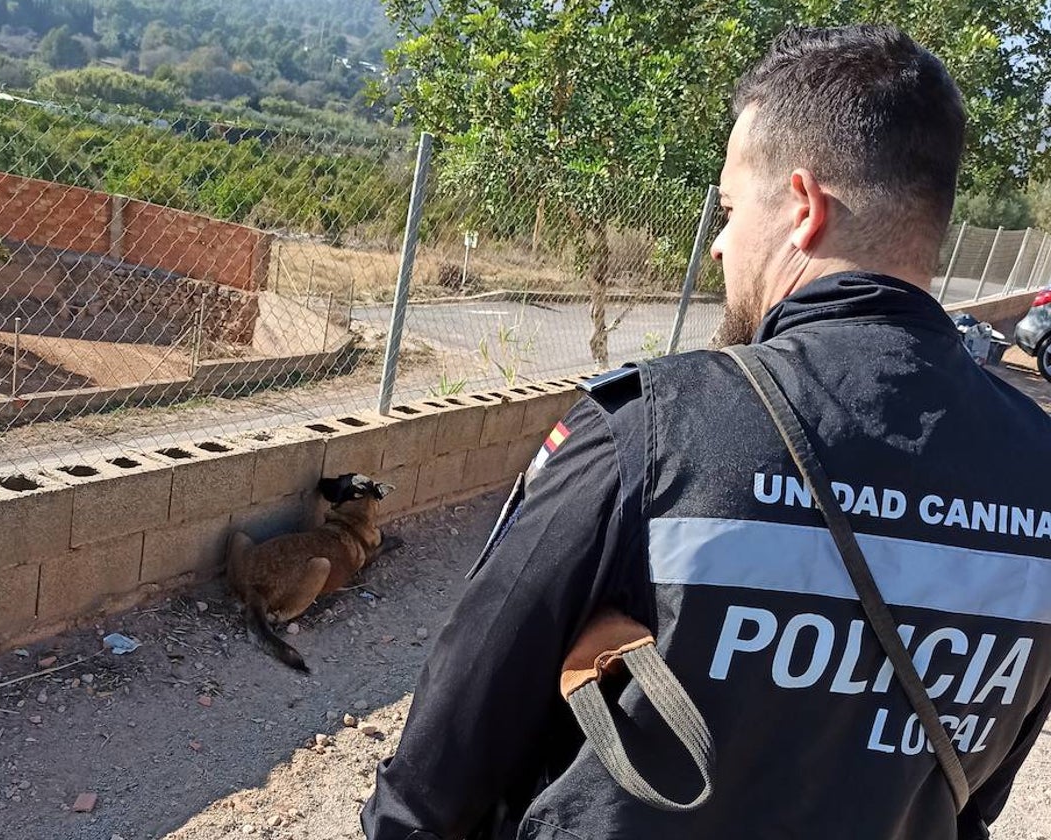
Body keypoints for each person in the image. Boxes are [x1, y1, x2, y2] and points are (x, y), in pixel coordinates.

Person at [362, 24, 1051, 840]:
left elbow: (437, 777)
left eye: (727, 209)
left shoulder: (651, 433)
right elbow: (973, 789)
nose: (720, 244)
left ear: (803, 208)